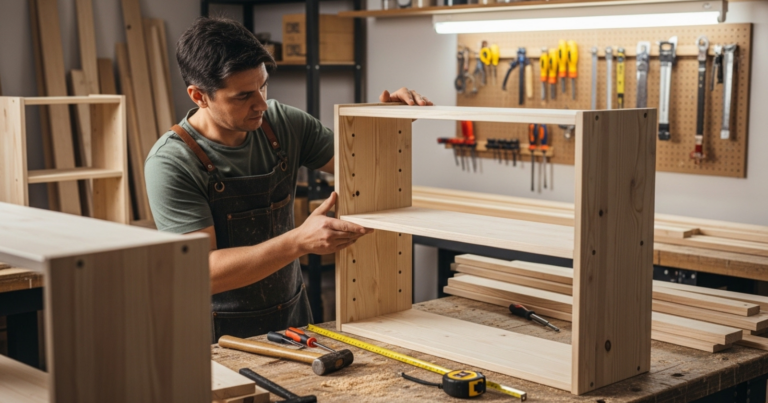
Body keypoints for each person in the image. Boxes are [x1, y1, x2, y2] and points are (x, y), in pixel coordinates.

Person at [144, 17, 432, 340]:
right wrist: (298, 241)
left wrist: (385, 124)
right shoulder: (171, 163)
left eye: (263, 84)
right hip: (217, 340)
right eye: (243, 96)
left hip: (292, 323)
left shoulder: (282, 124)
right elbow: (203, 272)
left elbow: (361, 168)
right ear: (199, 96)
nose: (261, 103)